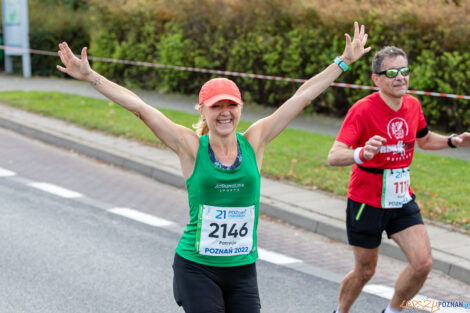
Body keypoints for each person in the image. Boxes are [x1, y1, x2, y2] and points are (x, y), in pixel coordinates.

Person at [56, 21, 370, 313]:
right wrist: (91, 78)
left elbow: (301, 97)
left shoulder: (255, 141)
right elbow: (140, 106)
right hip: (196, 267)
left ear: (240, 108)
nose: (224, 112)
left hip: (242, 269)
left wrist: (342, 62)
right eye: (215, 106)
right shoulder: (190, 146)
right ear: (202, 111)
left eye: (230, 105)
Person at [327, 46, 470, 313]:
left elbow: (424, 139)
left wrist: (452, 141)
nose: (400, 77)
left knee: (423, 264)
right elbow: (334, 156)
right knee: (365, 271)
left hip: (401, 196)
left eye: (404, 71)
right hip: (366, 200)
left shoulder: (413, 105)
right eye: (391, 72)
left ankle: (392, 311)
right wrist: (361, 153)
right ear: (376, 79)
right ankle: (340, 311)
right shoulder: (362, 110)